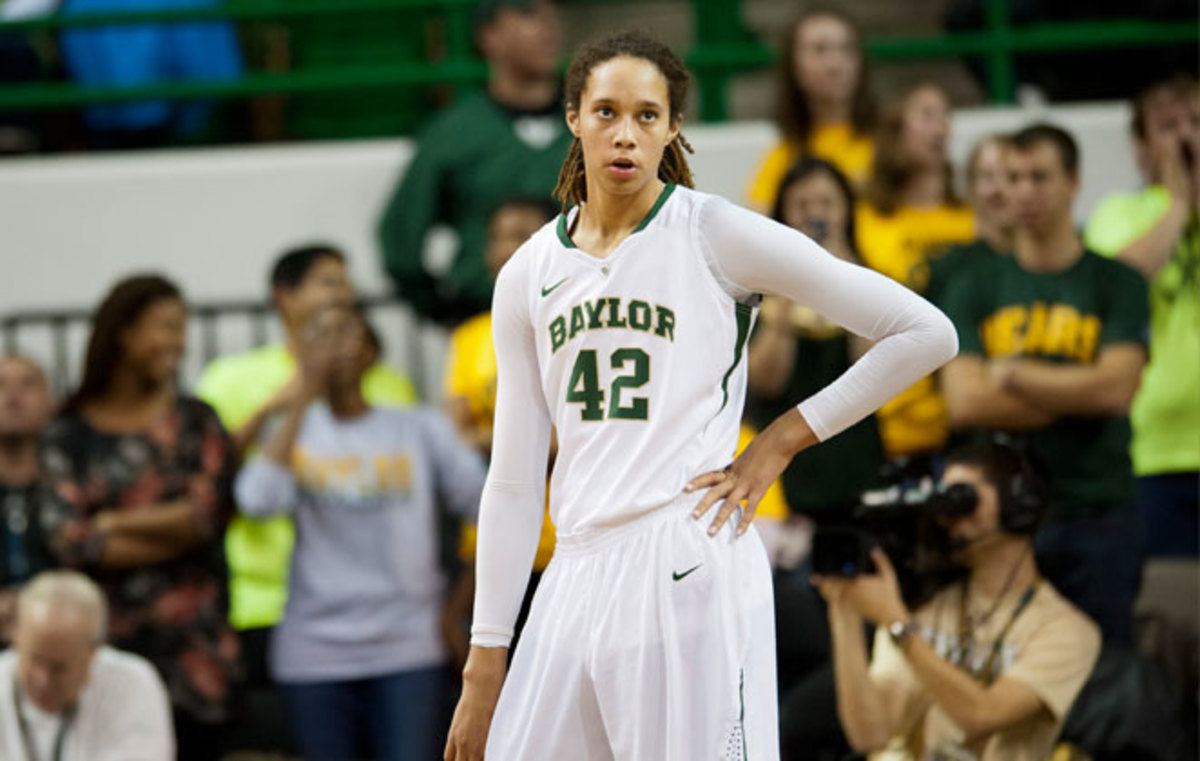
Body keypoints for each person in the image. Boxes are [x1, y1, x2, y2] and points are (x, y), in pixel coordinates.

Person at [443, 30, 957, 761]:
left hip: (683, 551)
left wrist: (779, 440)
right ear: (572, 117)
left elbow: (925, 331)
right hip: (576, 567)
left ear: (674, 127)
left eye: (648, 115)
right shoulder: (527, 272)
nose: (625, 134)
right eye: (607, 112)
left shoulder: (712, 231)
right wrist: (484, 658)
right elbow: (516, 479)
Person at [235, 304, 486, 761]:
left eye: (347, 333)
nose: (336, 346)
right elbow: (257, 499)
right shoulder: (296, 434)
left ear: (373, 351)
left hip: (408, 644)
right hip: (314, 650)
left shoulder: (418, 427)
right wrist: (300, 400)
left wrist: (457, 610)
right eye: (320, 336)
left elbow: (490, 515)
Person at [937, 124, 1149, 646]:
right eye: (1012, 178)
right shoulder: (974, 284)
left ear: (1074, 182)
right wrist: (1080, 393)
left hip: (1097, 511)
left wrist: (1013, 374)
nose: (1023, 192)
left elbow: (1117, 391)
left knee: (1101, 680)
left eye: (1039, 177)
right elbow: (963, 401)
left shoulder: (1116, 283)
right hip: (1002, 520)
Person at [41, 274, 241, 761]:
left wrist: (112, 522)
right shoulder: (68, 432)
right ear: (123, 333)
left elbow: (206, 516)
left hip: (197, 652)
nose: (177, 342)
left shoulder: (197, 421)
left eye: (182, 328)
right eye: (164, 327)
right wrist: (173, 527)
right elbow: (70, 540)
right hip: (105, 646)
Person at [815, 440, 1100, 761]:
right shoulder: (922, 601)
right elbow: (870, 735)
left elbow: (982, 716)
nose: (947, 516)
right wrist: (844, 612)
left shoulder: (1067, 631)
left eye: (963, 497)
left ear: (1021, 507)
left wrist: (898, 625)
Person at [196, 244, 418, 644]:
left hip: (383, 605)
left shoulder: (390, 386)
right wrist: (272, 409)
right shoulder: (229, 379)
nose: (344, 294)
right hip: (261, 599)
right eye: (328, 281)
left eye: (348, 284)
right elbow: (206, 473)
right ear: (284, 297)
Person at [378, 0, 572, 324]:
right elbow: (401, 238)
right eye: (528, 15)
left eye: (554, 14)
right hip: (486, 317)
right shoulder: (453, 133)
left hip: (589, 317)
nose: (549, 28)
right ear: (489, 36)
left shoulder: (601, 124)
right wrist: (445, 310)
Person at [1083, 74, 1199, 559]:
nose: (1188, 138)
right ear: (1141, 147)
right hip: (1153, 454)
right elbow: (1119, 287)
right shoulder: (1121, 212)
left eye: (1196, 122)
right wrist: (1177, 203)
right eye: (1170, 127)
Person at [857, 82, 975, 462]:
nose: (941, 129)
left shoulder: (971, 220)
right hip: (889, 415)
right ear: (896, 130)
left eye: (945, 117)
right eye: (927, 116)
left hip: (963, 413)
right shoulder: (867, 220)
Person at [0, 570, 175, 761]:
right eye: (34, 659)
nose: (43, 680)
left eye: (59, 668)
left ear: (92, 654)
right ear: (15, 639)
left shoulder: (133, 683)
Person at [746, 6, 877, 212]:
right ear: (792, 65)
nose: (835, 64)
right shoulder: (780, 161)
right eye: (819, 50)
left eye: (846, 49)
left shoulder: (894, 143)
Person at [0, 356, 59, 640]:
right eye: (0, 385)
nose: (12, 396)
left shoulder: (75, 491)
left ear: (51, 402)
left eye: (27, 384)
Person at [921, 134, 1016, 304]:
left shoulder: (1049, 264)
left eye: (1011, 176)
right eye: (987, 176)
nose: (999, 188)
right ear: (969, 187)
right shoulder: (946, 269)